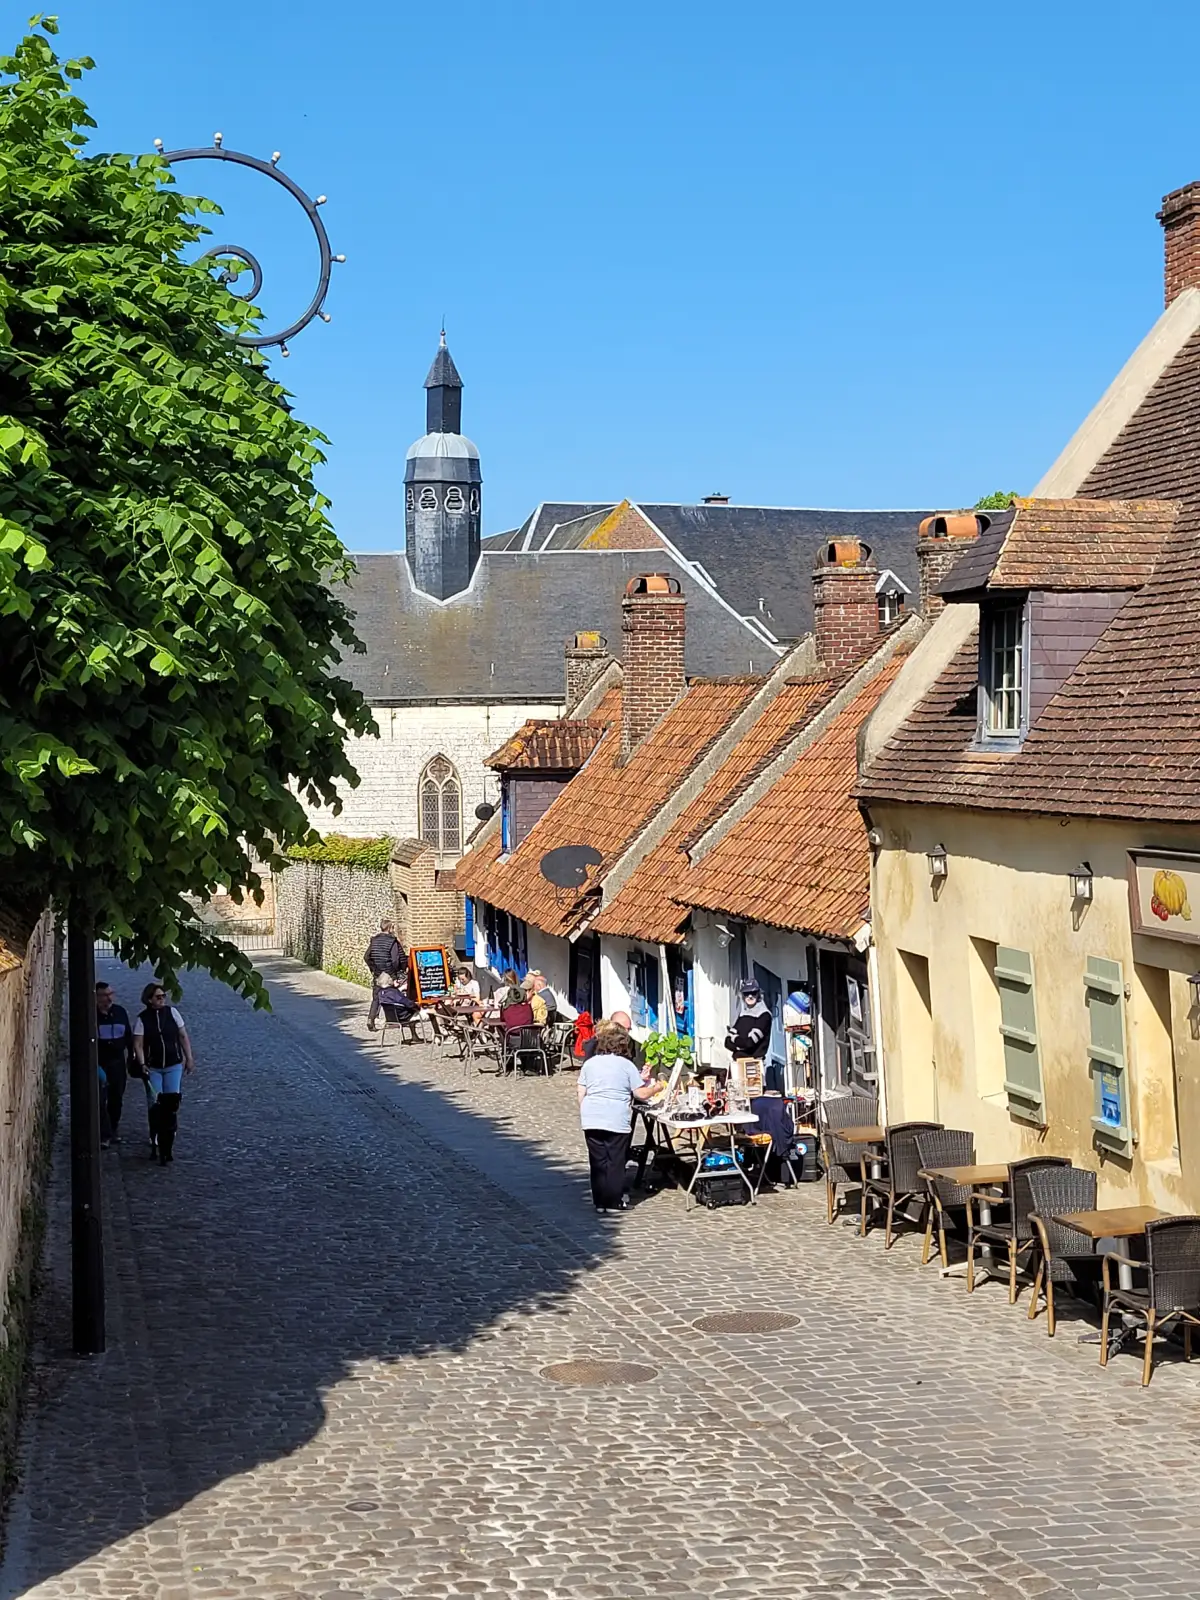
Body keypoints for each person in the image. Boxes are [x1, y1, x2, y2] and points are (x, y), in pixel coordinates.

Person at [577, 1021, 659, 1213]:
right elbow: (640, 1094)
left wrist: (586, 1109)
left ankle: (600, 1202)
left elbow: (581, 1090)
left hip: (592, 1118)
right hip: (615, 1118)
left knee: (598, 1161)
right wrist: (657, 1087)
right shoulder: (626, 1065)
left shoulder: (590, 1064)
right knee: (615, 1160)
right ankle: (613, 1202)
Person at [133, 982, 195, 1166]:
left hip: (173, 1064)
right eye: (158, 997)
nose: (162, 1000)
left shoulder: (172, 1013)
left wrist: (189, 1058)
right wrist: (142, 1063)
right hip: (153, 1067)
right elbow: (138, 1044)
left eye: (163, 996)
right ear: (149, 1000)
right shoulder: (142, 1019)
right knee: (154, 1103)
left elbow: (183, 1036)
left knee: (172, 1100)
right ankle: (155, 1134)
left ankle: (169, 1131)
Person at [95, 980, 133, 1147]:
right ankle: (105, 1134)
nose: (109, 999)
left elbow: (129, 1036)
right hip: (99, 1063)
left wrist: (132, 1057)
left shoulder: (120, 1012)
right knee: (100, 1099)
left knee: (116, 1098)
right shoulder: (92, 1015)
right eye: (104, 995)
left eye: (110, 994)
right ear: (96, 997)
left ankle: (113, 1128)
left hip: (117, 1062)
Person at [365, 918, 405, 1031]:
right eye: (393, 927)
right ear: (390, 928)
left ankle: (371, 1019)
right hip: (388, 973)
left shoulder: (374, 941)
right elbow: (396, 960)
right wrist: (395, 974)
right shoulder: (392, 941)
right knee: (391, 995)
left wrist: (374, 969)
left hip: (378, 973)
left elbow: (366, 957)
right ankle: (392, 1021)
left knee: (376, 997)